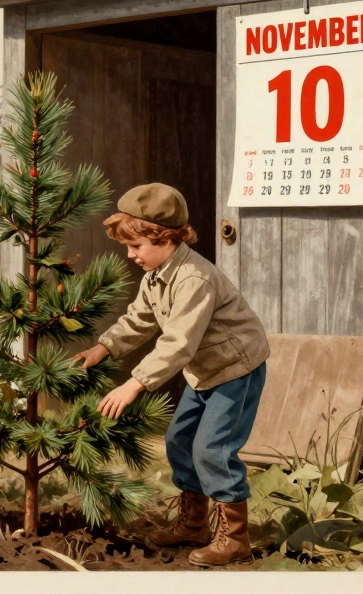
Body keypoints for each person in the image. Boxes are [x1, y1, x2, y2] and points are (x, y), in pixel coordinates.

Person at [72, 183, 269, 566]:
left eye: (136, 246)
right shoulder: (157, 274)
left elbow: (178, 343)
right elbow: (140, 319)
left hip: (233, 370)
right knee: (179, 441)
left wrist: (134, 384)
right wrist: (105, 346)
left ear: (165, 238)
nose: (130, 256)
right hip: (203, 373)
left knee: (213, 449)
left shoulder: (195, 279)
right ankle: (194, 524)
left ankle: (236, 539)